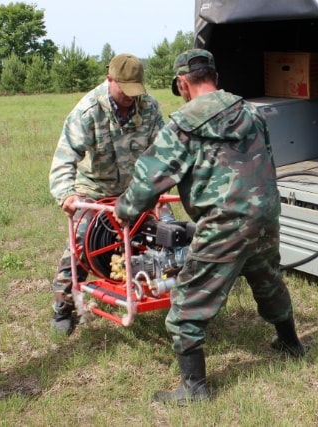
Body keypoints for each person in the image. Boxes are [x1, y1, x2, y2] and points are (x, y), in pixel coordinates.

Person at [114, 49, 305, 405]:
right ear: (214, 77)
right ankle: (292, 344)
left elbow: (148, 179)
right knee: (267, 278)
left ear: (183, 83)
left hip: (226, 222)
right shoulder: (250, 111)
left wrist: (124, 211)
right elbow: (269, 160)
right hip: (265, 212)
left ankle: (194, 389)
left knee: (187, 301)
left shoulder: (183, 125)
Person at [49, 53, 164, 335]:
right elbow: (64, 158)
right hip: (95, 190)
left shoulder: (149, 108)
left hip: (136, 189)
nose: (129, 97)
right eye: (124, 89)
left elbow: (163, 153)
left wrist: (159, 191)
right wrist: (67, 194)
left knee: (167, 232)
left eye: (134, 90)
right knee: (80, 243)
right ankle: (63, 307)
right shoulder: (88, 111)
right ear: (109, 79)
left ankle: (171, 290)